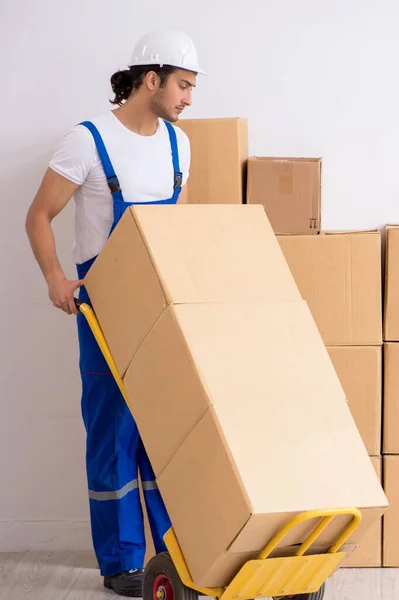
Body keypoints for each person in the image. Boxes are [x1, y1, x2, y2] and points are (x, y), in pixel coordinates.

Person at [25, 29, 206, 597]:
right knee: (113, 434)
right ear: (150, 79)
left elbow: (169, 234)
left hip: (160, 310)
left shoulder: (180, 146)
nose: (188, 100)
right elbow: (38, 216)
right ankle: (121, 562)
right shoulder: (87, 141)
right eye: (183, 85)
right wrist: (56, 278)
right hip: (104, 310)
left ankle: (173, 555)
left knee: (166, 433)